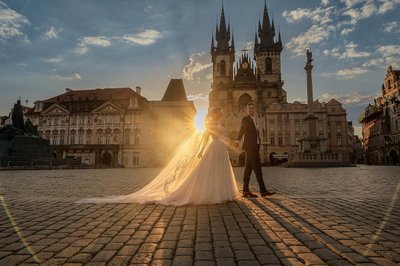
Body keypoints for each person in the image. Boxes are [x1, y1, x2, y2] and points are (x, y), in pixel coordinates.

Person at [78, 106, 240, 206]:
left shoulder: (221, 124)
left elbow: (223, 137)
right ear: (214, 114)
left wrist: (232, 143)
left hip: (220, 150)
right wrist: (199, 151)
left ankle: (223, 193)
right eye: (218, 112)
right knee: (209, 172)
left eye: (220, 113)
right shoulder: (210, 124)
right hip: (213, 148)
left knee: (221, 172)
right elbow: (205, 137)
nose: (220, 114)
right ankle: (211, 193)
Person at [236, 102, 275, 198]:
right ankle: (263, 190)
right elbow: (242, 130)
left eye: (253, 108)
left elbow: (256, 135)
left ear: (255, 109)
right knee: (258, 169)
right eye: (249, 108)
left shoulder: (255, 120)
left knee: (248, 169)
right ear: (247, 110)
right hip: (250, 147)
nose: (251, 109)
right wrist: (237, 139)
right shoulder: (246, 119)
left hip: (254, 146)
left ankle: (245, 191)